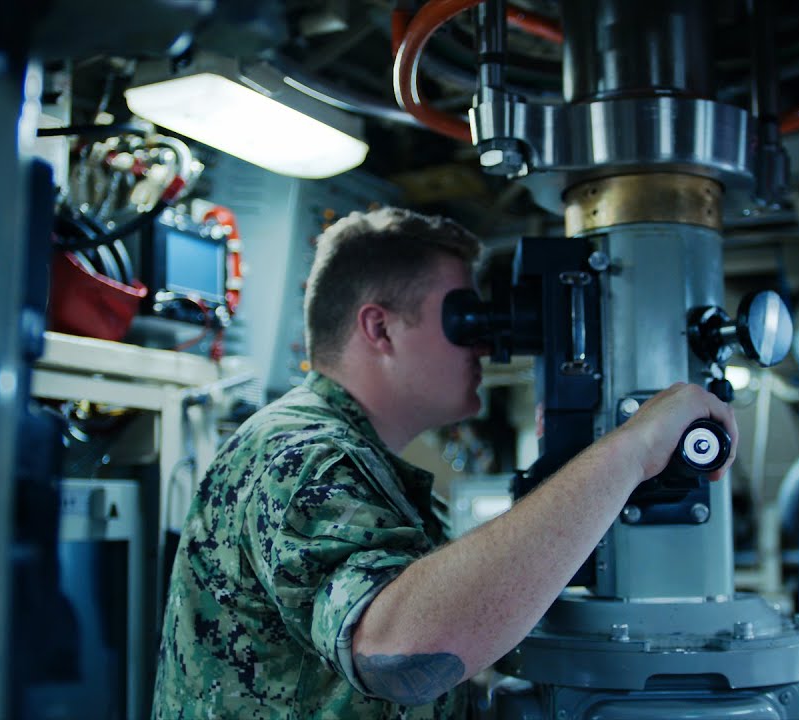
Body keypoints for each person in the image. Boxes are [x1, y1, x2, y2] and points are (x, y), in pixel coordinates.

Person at [151, 206, 738, 719]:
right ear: (379, 328)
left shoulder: (371, 469)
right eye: (463, 316)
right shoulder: (302, 456)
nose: (485, 342)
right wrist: (633, 449)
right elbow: (402, 648)